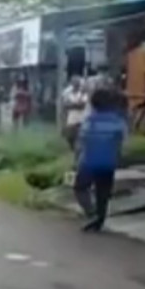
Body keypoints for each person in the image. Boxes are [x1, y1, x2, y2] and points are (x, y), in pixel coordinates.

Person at [73, 88, 129, 232]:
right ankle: (99, 220)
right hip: (108, 162)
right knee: (102, 194)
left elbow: (81, 142)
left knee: (80, 188)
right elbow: (123, 142)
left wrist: (76, 158)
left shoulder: (89, 121)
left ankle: (91, 213)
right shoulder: (119, 121)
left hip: (88, 162)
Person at [61, 77, 88, 149]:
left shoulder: (83, 93)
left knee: (80, 135)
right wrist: (76, 104)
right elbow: (65, 105)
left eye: (77, 83)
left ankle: (80, 148)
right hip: (71, 118)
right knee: (70, 136)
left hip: (81, 118)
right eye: (74, 83)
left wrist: (72, 105)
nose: (75, 84)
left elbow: (82, 105)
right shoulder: (68, 93)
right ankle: (73, 148)